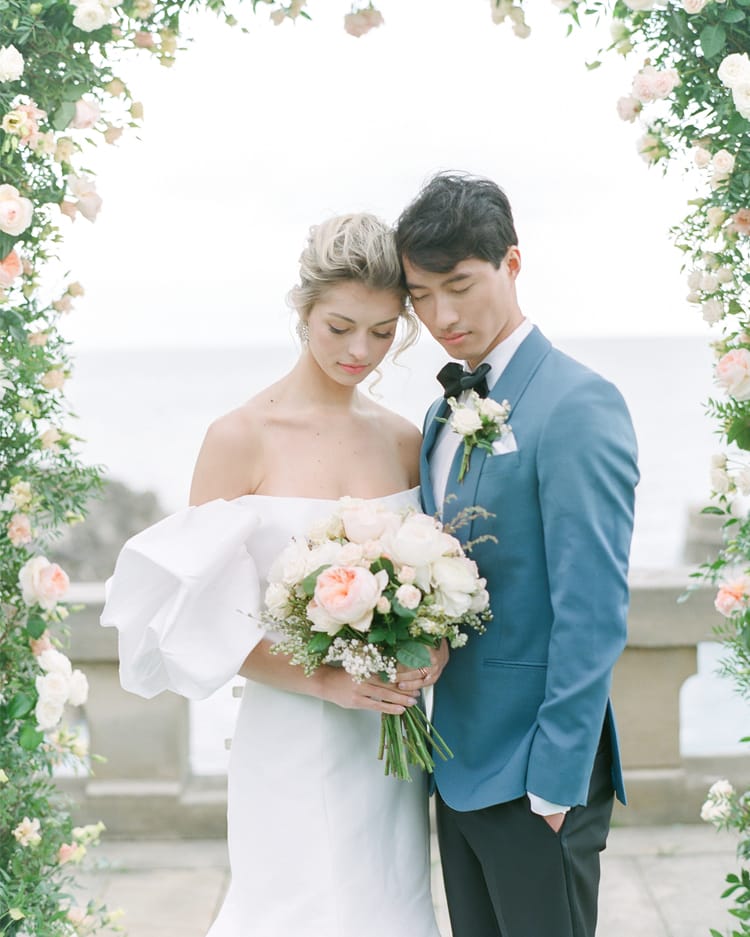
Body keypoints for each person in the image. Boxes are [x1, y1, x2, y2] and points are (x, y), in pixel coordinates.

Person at [101, 213, 444, 937]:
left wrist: (430, 649)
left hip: (389, 738)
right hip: (290, 733)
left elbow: (437, 579)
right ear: (303, 310)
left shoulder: (405, 439)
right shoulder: (239, 438)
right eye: (340, 327)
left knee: (391, 905)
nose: (361, 351)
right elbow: (205, 614)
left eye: (383, 333)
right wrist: (323, 680)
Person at [394, 172, 639, 937]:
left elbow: (592, 608)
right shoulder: (440, 411)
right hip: (456, 764)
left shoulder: (578, 404)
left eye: (459, 285)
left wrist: (557, 783)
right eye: (422, 296)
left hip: (539, 773)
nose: (443, 315)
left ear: (512, 262)